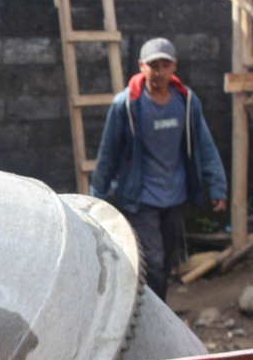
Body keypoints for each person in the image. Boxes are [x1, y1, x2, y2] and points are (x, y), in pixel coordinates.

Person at [90, 37, 228, 302]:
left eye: (165, 65)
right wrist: (96, 197)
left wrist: (218, 186)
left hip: (175, 196)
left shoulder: (186, 103)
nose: (159, 72)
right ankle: (155, 319)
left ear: (174, 67)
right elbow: (108, 152)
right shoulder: (127, 105)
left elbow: (204, 145)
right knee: (152, 261)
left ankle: (155, 313)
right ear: (141, 66)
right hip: (141, 198)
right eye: (154, 65)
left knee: (165, 262)